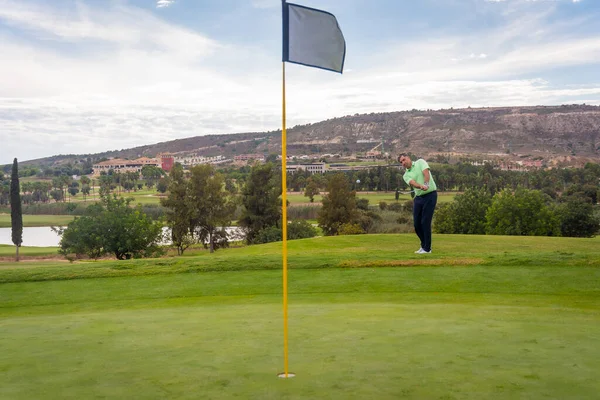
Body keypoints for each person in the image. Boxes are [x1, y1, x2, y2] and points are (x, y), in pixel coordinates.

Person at [398, 154, 437, 254]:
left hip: (430, 195)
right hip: (418, 198)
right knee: (417, 225)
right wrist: (420, 186)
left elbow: (426, 173)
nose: (403, 162)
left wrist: (426, 184)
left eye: (404, 159)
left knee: (425, 222)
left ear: (408, 158)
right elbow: (413, 183)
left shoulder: (420, 162)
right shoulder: (405, 175)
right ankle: (423, 246)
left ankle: (427, 249)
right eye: (401, 162)